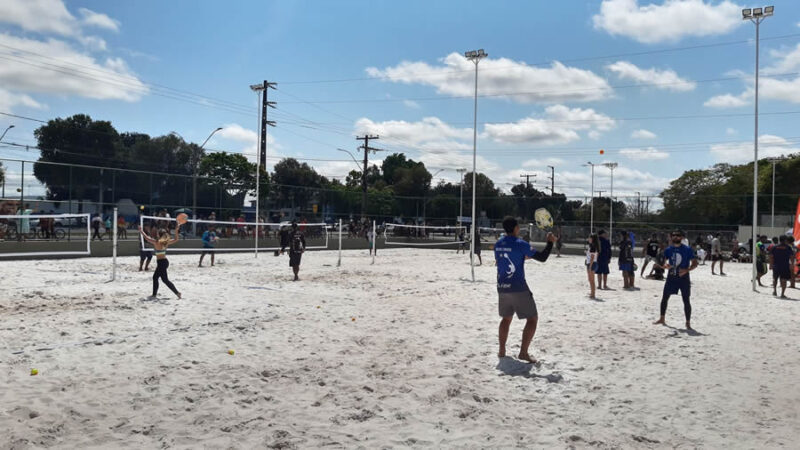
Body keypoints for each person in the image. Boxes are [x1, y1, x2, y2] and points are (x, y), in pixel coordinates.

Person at [494, 216, 556, 363]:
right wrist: (550, 243)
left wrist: (522, 257)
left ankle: (502, 351)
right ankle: (523, 353)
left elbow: (505, 258)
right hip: (518, 287)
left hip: (502, 286)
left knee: (506, 318)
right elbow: (542, 258)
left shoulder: (498, 244)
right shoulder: (520, 243)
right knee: (532, 319)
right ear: (515, 228)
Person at [654, 229, 698, 330]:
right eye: (673, 235)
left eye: (677, 235)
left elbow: (695, 264)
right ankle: (662, 318)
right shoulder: (669, 250)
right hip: (671, 277)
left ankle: (687, 323)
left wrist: (686, 270)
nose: (675, 237)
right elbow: (664, 262)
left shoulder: (687, 249)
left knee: (686, 300)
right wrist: (665, 266)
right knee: (665, 298)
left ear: (682, 237)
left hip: (684, 278)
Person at [139, 223, 182, 299]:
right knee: (157, 278)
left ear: (159, 235)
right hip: (164, 262)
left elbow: (146, 238)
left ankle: (177, 293)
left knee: (163, 279)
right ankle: (155, 294)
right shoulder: (166, 242)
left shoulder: (157, 242)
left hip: (162, 262)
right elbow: (176, 239)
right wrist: (176, 231)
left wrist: (141, 231)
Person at [586, 233, 599, 299]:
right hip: (592, 263)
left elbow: (592, 257)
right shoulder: (592, 245)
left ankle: (593, 294)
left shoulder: (593, 246)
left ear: (592, 239)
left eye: (589, 238)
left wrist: (590, 266)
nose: (588, 239)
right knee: (590, 279)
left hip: (592, 263)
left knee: (592, 280)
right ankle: (592, 292)